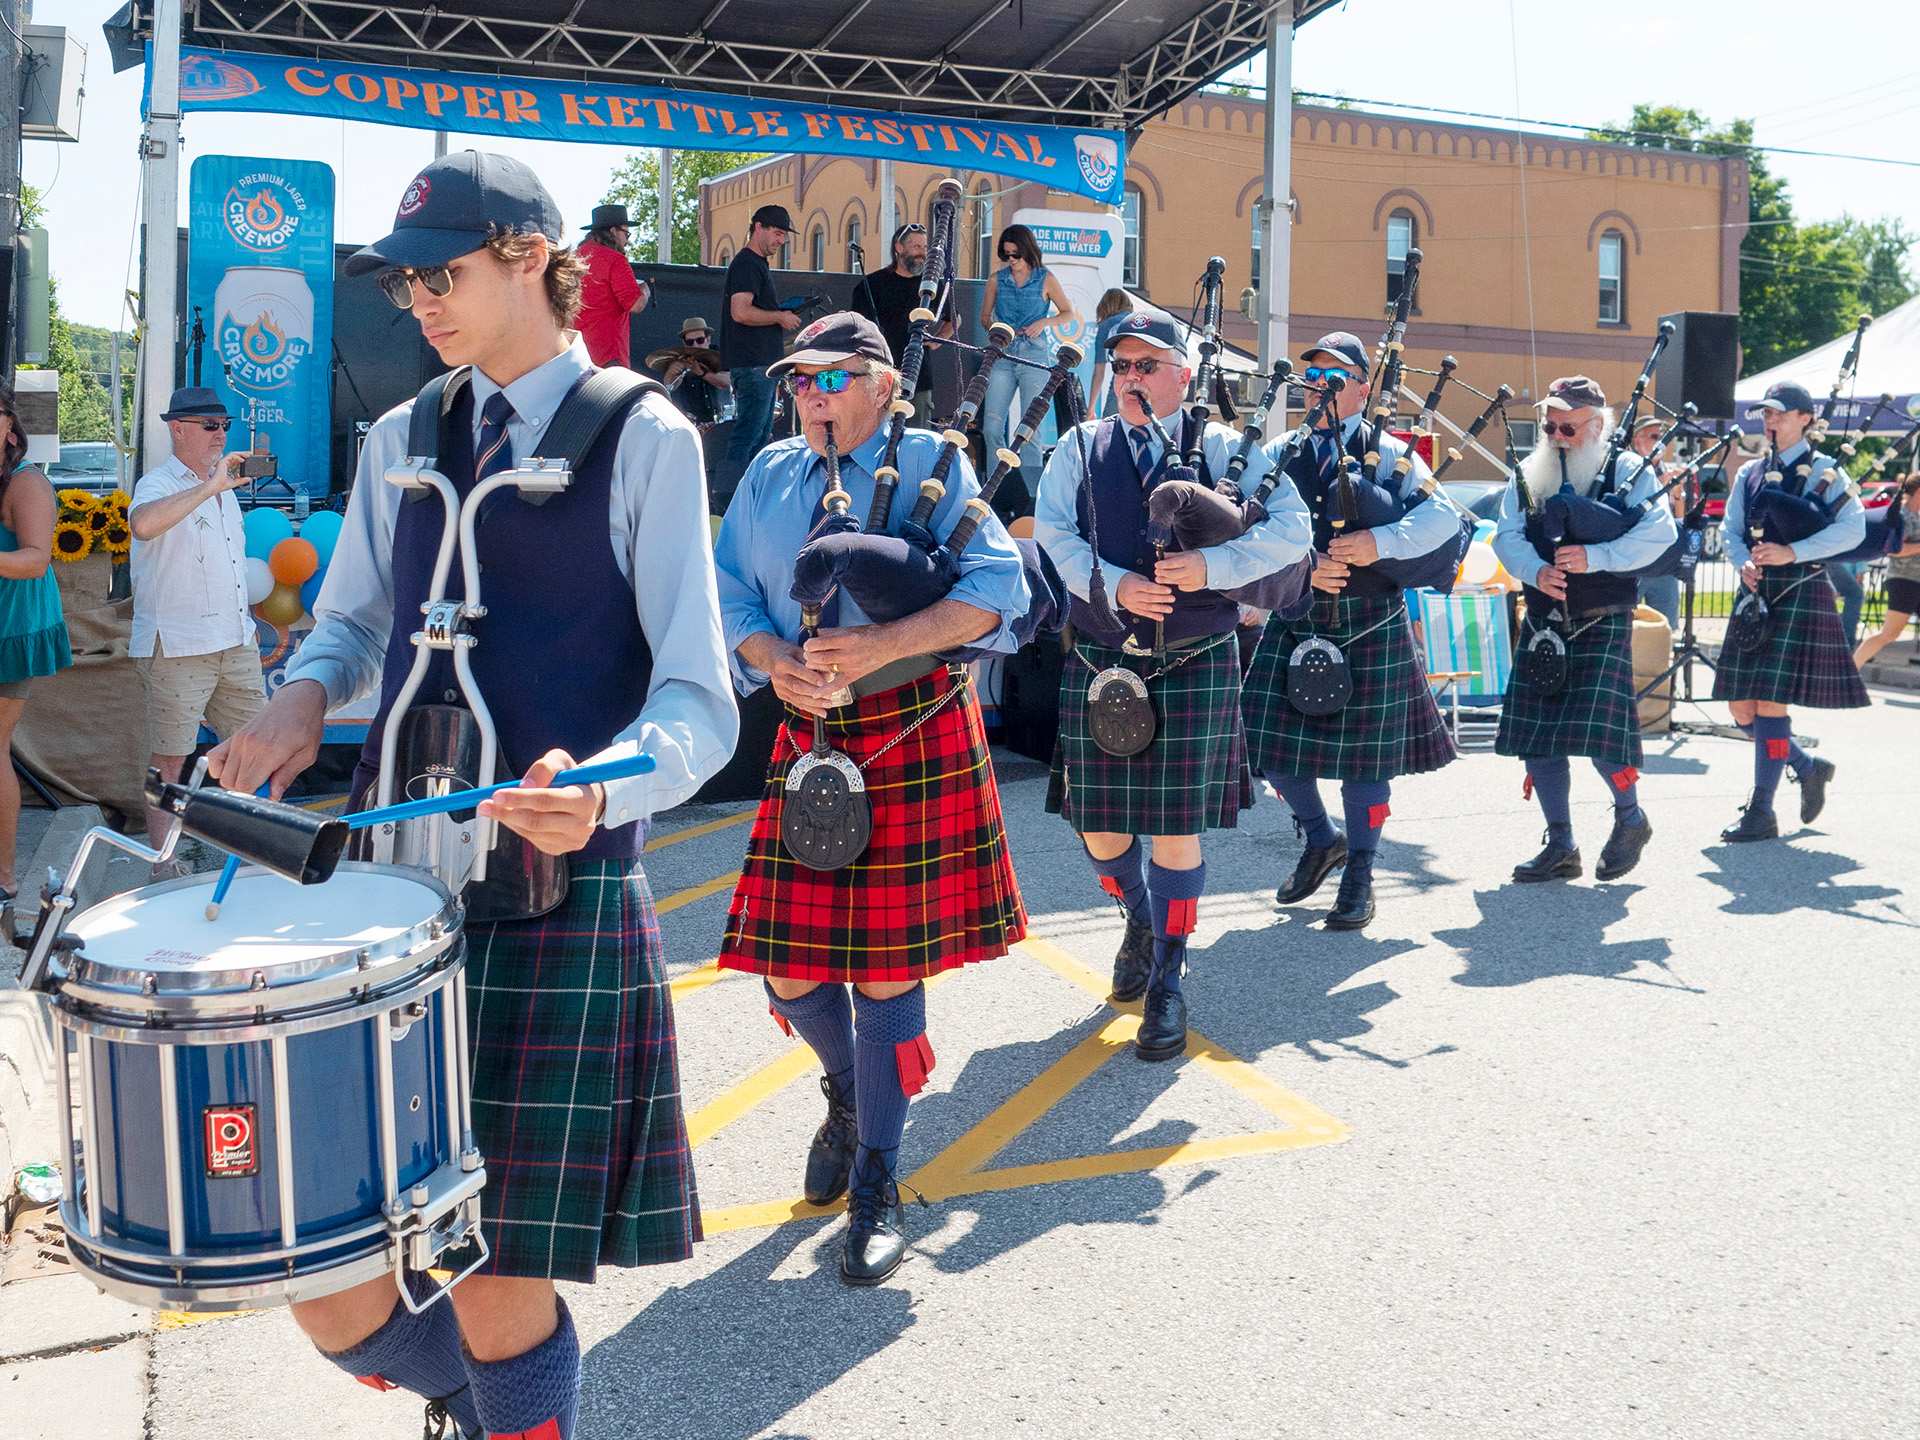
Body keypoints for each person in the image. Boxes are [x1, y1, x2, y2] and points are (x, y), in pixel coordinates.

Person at [208, 150, 737, 1440]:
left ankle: (513, 1414)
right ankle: (482, 1408)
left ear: (529, 258)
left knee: (503, 1281)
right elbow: (348, 630)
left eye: (443, 274)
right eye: (407, 283)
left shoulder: (641, 435)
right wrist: (299, 695)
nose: (421, 302)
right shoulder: (402, 437)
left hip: (556, 895)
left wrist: (605, 787)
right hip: (391, 908)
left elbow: (700, 701)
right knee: (319, 1275)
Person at [713, 312, 1030, 1286]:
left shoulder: (936, 461)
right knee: (791, 976)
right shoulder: (769, 474)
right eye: (798, 377)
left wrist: (885, 644)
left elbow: (1000, 587)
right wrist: (771, 660)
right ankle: (850, 1096)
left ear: (884, 384)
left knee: (887, 975)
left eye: (831, 376)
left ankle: (880, 1178)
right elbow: (727, 591)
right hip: (809, 734)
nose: (810, 391)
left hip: (912, 728)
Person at [1033, 312, 1310, 1060]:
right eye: (1121, 364)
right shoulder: (1080, 447)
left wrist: (1212, 570)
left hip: (1193, 659)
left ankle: (1168, 977)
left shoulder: (1223, 449)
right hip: (1105, 659)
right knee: (1100, 832)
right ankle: (1140, 917)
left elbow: (1293, 530)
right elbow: (1054, 533)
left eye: (1147, 366)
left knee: (1176, 832)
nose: (1130, 377)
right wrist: (1116, 584)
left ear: (1184, 377)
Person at [1240, 331, 1463, 929]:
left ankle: (1361, 873)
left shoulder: (1391, 452)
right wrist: (1298, 570)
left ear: (1364, 387)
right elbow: (1249, 525)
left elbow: (1444, 519)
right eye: (1313, 375)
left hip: (1369, 623)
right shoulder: (1279, 451)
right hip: (1297, 616)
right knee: (1272, 750)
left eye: (1335, 376)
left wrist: (1374, 544)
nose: (1319, 385)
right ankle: (1320, 838)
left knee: (1366, 765)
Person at [1490, 375, 1677, 882]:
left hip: (1601, 620)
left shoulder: (1630, 470)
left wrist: (1597, 558)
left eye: (1567, 426)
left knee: (1601, 739)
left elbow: (1661, 535)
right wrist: (1536, 571)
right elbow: (1506, 535)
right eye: (1550, 425)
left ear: (1596, 425)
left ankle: (1630, 817)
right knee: (1539, 739)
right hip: (1544, 621)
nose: (1556, 435)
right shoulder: (1530, 471)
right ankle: (1562, 844)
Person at [1712, 380, 1866, 841]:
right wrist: (1741, 561)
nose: (1770, 421)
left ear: (1805, 418)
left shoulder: (1826, 470)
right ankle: (1806, 765)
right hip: (1755, 594)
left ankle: (1761, 811)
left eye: (1779, 413)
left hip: (1799, 588)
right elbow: (1731, 530)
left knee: (1769, 702)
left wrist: (1793, 552)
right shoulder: (1751, 473)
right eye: (1766, 415)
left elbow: (1852, 529)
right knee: (1741, 708)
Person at [127, 386, 265, 861]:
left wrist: (216, 483)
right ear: (178, 429)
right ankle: (162, 865)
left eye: (224, 425)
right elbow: (143, 525)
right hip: (178, 644)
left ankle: (251, 854)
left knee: (256, 747)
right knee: (170, 758)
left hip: (233, 639)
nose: (220, 434)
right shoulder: (159, 482)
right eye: (210, 425)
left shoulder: (220, 484)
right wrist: (210, 486)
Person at [0, 389, 71, 914]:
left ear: (9, 426)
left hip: (12, 631)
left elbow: (35, 560)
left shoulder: (28, 483)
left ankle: (3, 880)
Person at [978, 225, 1077, 502]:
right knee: (991, 426)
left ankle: (1033, 498)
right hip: (1003, 355)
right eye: (1006, 254)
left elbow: (1068, 313)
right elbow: (984, 317)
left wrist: (1044, 322)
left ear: (1027, 252)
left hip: (1035, 355)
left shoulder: (1046, 279)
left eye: (1015, 254)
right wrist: (996, 328)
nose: (1011, 260)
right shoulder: (997, 280)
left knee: (1030, 428)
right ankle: (995, 489)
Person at [720, 204, 800, 479]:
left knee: (759, 434)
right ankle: (729, 494)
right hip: (752, 363)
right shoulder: (746, 263)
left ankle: (747, 491)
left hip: (760, 363)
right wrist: (779, 317)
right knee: (748, 433)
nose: (781, 241)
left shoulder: (755, 264)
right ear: (758, 227)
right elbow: (740, 312)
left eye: (783, 236)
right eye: (777, 233)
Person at [850, 222, 954, 424]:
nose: (922, 253)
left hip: (919, 376)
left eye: (925, 248)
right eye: (916, 247)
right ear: (899, 248)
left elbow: (954, 319)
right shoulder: (871, 285)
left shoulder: (931, 285)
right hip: (877, 374)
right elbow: (856, 328)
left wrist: (937, 340)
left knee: (917, 436)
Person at [1853, 483, 1920, 670]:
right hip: (1904, 581)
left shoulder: (1916, 516)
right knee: (1889, 634)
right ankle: (1850, 670)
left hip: (1915, 581)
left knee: (1889, 634)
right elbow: (1894, 550)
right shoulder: (1902, 517)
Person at [1628, 414, 1685, 629]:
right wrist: (1659, 486)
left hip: (1664, 565)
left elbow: (1680, 519)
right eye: (1653, 436)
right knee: (1627, 629)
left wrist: (1678, 495)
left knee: (1665, 630)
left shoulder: (1667, 470)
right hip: (1634, 564)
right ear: (1637, 441)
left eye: (1662, 436)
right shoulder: (1628, 469)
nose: (1660, 441)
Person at [575, 203, 647, 368]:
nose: (627, 241)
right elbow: (635, 304)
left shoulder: (572, 260)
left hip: (572, 355)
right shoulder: (615, 260)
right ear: (613, 231)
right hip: (608, 357)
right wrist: (644, 290)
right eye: (626, 234)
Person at [649, 316, 731, 428]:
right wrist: (671, 373)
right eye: (690, 342)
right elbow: (669, 387)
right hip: (692, 424)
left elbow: (727, 382)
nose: (696, 345)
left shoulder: (720, 356)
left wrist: (702, 373)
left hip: (722, 422)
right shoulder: (680, 359)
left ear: (708, 339)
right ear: (684, 343)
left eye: (700, 340)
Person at [1087, 288, 1135, 420]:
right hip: (1148, 375)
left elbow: (1099, 372)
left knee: (1110, 428)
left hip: (1123, 376)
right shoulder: (1137, 321)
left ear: (1105, 307)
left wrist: (1090, 409)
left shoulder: (1107, 325)